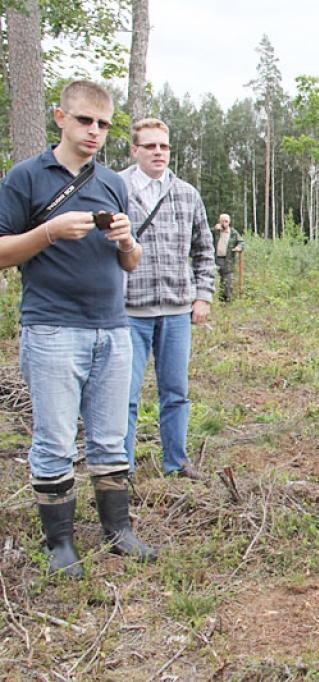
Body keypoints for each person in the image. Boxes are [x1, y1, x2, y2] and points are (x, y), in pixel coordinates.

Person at [0, 80, 157, 579]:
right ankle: (60, 543)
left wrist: (127, 242)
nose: (94, 131)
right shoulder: (25, 178)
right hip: (52, 328)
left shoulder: (112, 182)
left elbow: (130, 262)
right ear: (60, 118)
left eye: (103, 124)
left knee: (111, 438)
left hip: (112, 328)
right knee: (55, 441)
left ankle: (118, 531)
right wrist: (48, 232)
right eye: (85, 120)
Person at [120, 118, 216, 480]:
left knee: (176, 392)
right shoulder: (117, 189)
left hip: (177, 310)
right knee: (124, 395)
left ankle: (176, 462)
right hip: (129, 311)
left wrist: (202, 296)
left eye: (164, 146)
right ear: (135, 150)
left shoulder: (186, 193)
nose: (158, 152)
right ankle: (121, 468)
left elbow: (204, 250)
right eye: (150, 146)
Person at [211, 214, 244, 302]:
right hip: (215, 260)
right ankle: (213, 301)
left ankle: (226, 302)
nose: (224, 223)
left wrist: (239, 247)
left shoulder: (233, 233)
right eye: (222, 221)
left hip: (228, 261)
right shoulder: (215, 232)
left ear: (229, 222)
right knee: (213, 280)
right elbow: (205, 236)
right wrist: (214, 229)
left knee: (228, 282)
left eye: (226, 221)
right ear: (219, 221)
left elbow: (241, 242)